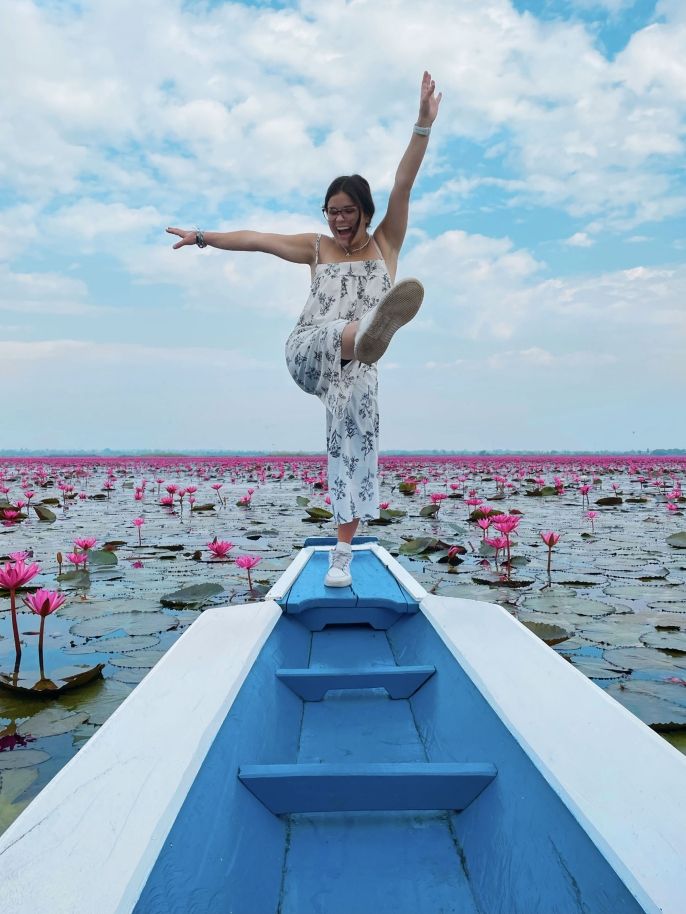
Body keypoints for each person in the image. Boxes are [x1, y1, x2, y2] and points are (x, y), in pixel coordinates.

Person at [167, 71, 441, 588]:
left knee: (354, 446)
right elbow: (257, 239)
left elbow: (404, 182)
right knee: (344, 335)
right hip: (310, 350)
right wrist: (201, 236)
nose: (339, 221)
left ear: (365, 211)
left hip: (358, 371)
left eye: (348, 212)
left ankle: (342, 554)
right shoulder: (316, 248)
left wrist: (422, 126)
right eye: (332, 212)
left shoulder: (387, 244)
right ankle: (367, 333)